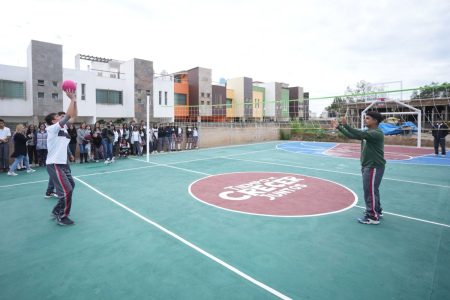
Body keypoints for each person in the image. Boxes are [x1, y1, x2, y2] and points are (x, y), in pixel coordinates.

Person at [331, 111, 386, 225]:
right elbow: (352, 135)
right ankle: (377, 211)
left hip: (373, 166)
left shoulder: (376, 133)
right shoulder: (369, 132)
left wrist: (345, 125)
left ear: (375, 121)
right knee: (372, 190)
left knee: (369, 191)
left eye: (368, 118)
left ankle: (372, 217)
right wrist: (339, 127)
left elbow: (357, 133)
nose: (365, 120)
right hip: (368, 165)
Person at [44, 88, 77, 226]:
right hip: (54, 164)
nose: (61, 117)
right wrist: (72, 99)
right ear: (53, 121)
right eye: (58, 116)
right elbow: (69, 115)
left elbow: (73, 115)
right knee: (67, 190)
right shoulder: (52, 129)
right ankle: (62, 217)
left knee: (71, 186)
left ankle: (57, 210)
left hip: (63, 164)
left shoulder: (63, 128)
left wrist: (75, 101)